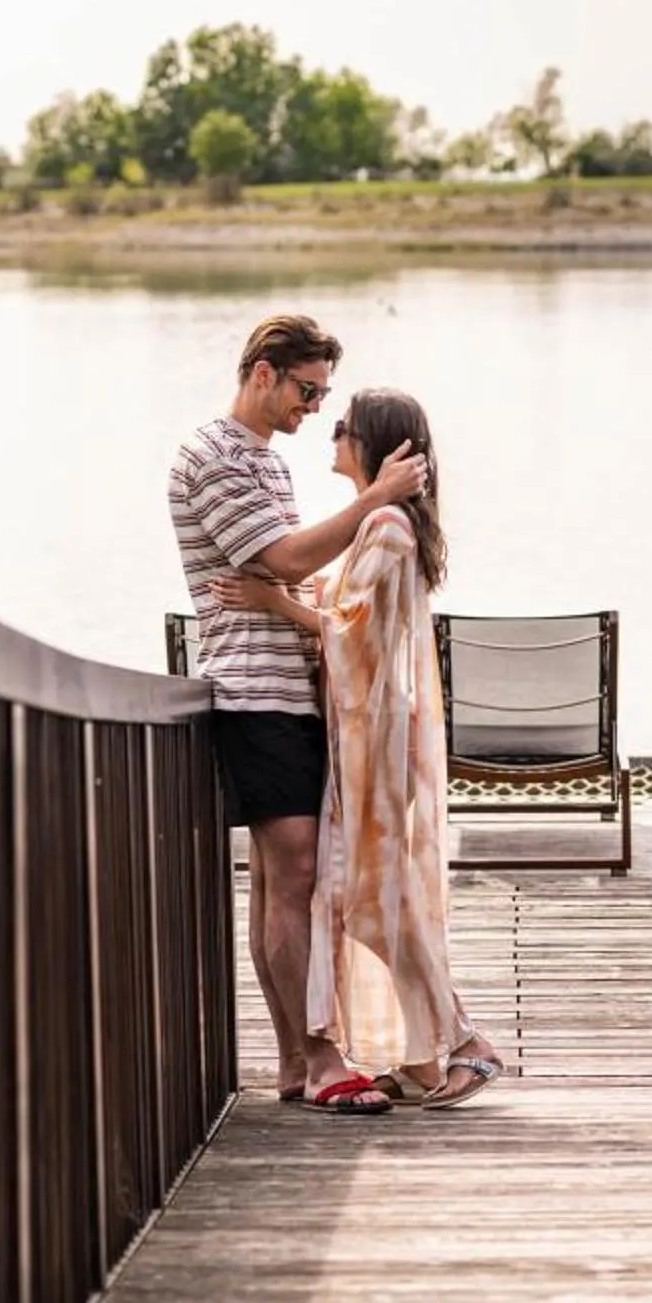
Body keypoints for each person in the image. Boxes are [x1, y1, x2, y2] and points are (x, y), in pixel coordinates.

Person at [216, 388, 505, 1108]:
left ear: (375, 445)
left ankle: (466, 1041)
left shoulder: (384, 525)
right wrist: (306, 596)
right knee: (371, 899)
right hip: (367, 740)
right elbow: (357, 617)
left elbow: (355, 635)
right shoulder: (382, 524)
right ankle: (432, 1050)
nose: (330, 433)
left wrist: (274, 602)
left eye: (341, 425)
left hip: (375, 747)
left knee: (368, 899)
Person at [168, 316, 426, 1116]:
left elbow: (287, 576)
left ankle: (293, 1062)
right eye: (307, 391)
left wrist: (292, 601)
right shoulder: (215, 459)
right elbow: (283, 560)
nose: (315, 409)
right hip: (252, 692)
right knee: (298, 878)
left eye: (324, 395)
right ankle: (319, 1057)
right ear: (262, 374)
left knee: (282, 883)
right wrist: (377, 498)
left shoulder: (266, 467)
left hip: (291, 690)